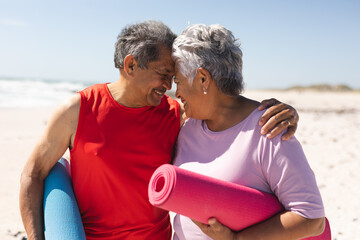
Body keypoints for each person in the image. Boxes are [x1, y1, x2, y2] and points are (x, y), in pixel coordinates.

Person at [19, 21, 299, 240]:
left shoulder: (175, 114)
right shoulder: (77, 110)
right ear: (130, 65)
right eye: (163, 74)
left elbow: (225, 109)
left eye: (173, 77)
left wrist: (281, 111)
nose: (169, 85)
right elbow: (33, 174)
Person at [171, 24, 325, 240]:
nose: (176, 92)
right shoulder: (187, 126)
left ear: (203, 78)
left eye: (178, 81)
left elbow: (311, 219)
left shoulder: (269, 130)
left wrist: (237, 239)